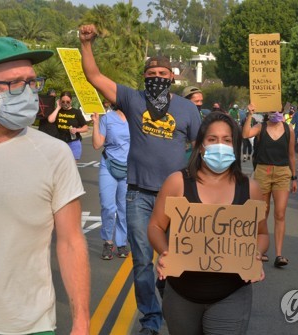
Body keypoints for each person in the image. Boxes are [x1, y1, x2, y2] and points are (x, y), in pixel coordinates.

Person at [79, 24, 202, 334]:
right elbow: (94, 77)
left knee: (176, 260)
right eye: (151, 73)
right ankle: (150, 320)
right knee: (142, 262)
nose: (157, 77)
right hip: (139, 196)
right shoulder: (132, 99)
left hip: (177, 199)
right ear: (144, 78)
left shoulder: (188, 109)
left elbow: (202, 149)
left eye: (162, 73)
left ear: (172, 78)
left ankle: (176, 310)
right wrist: (86, 45)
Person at [0, 36, 90, 335]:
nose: (30, 92)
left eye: (33, 82)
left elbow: (71, 242)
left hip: (31, 325)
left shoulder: (54, 154)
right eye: (16, 84)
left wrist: (81, 323)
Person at [148, 111, 269, 334]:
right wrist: (165, 253)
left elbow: (262, 234)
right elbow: (156, 226)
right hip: (181, 294)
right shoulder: (177, 182)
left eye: (227, 140)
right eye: (212, 139)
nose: (219, 145)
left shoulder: (250, 188)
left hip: (231, 293)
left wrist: (256, 254)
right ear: (201, 146)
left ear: (235, 146)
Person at [243, 104, 297, 267]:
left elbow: (291, 155)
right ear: (267, 111)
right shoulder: (261, 126)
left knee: (280, 213)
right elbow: (246, 134)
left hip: (282, 172)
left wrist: (294, 177)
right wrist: (250, 114)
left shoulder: (289, 129)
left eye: (279, 110)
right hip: (262, 171)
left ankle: (279, 254)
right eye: (273, 110)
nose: (276, 113)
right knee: (263, 211)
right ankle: (262, 249)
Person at [91, 109, 130, 260]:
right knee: (108, 206)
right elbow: (96, 144)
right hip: (108, 165)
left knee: (124, 208)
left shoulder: (134, 116)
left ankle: (121, 243)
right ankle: (108, 242)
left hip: (128, 168)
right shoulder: (107, 118)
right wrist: (95, 123)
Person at [48, 91, 89, 160]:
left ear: (71, 101)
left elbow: (85, 127)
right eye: (63, 101)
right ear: (60, 101)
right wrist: (58, 107)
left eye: (68, 102)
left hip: (73, 142)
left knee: (72, 167)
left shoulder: (76, 112)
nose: (65, 104)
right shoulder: (58, 111)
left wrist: (76, 130)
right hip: (60, 142)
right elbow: (50, 120)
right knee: (61, 166)